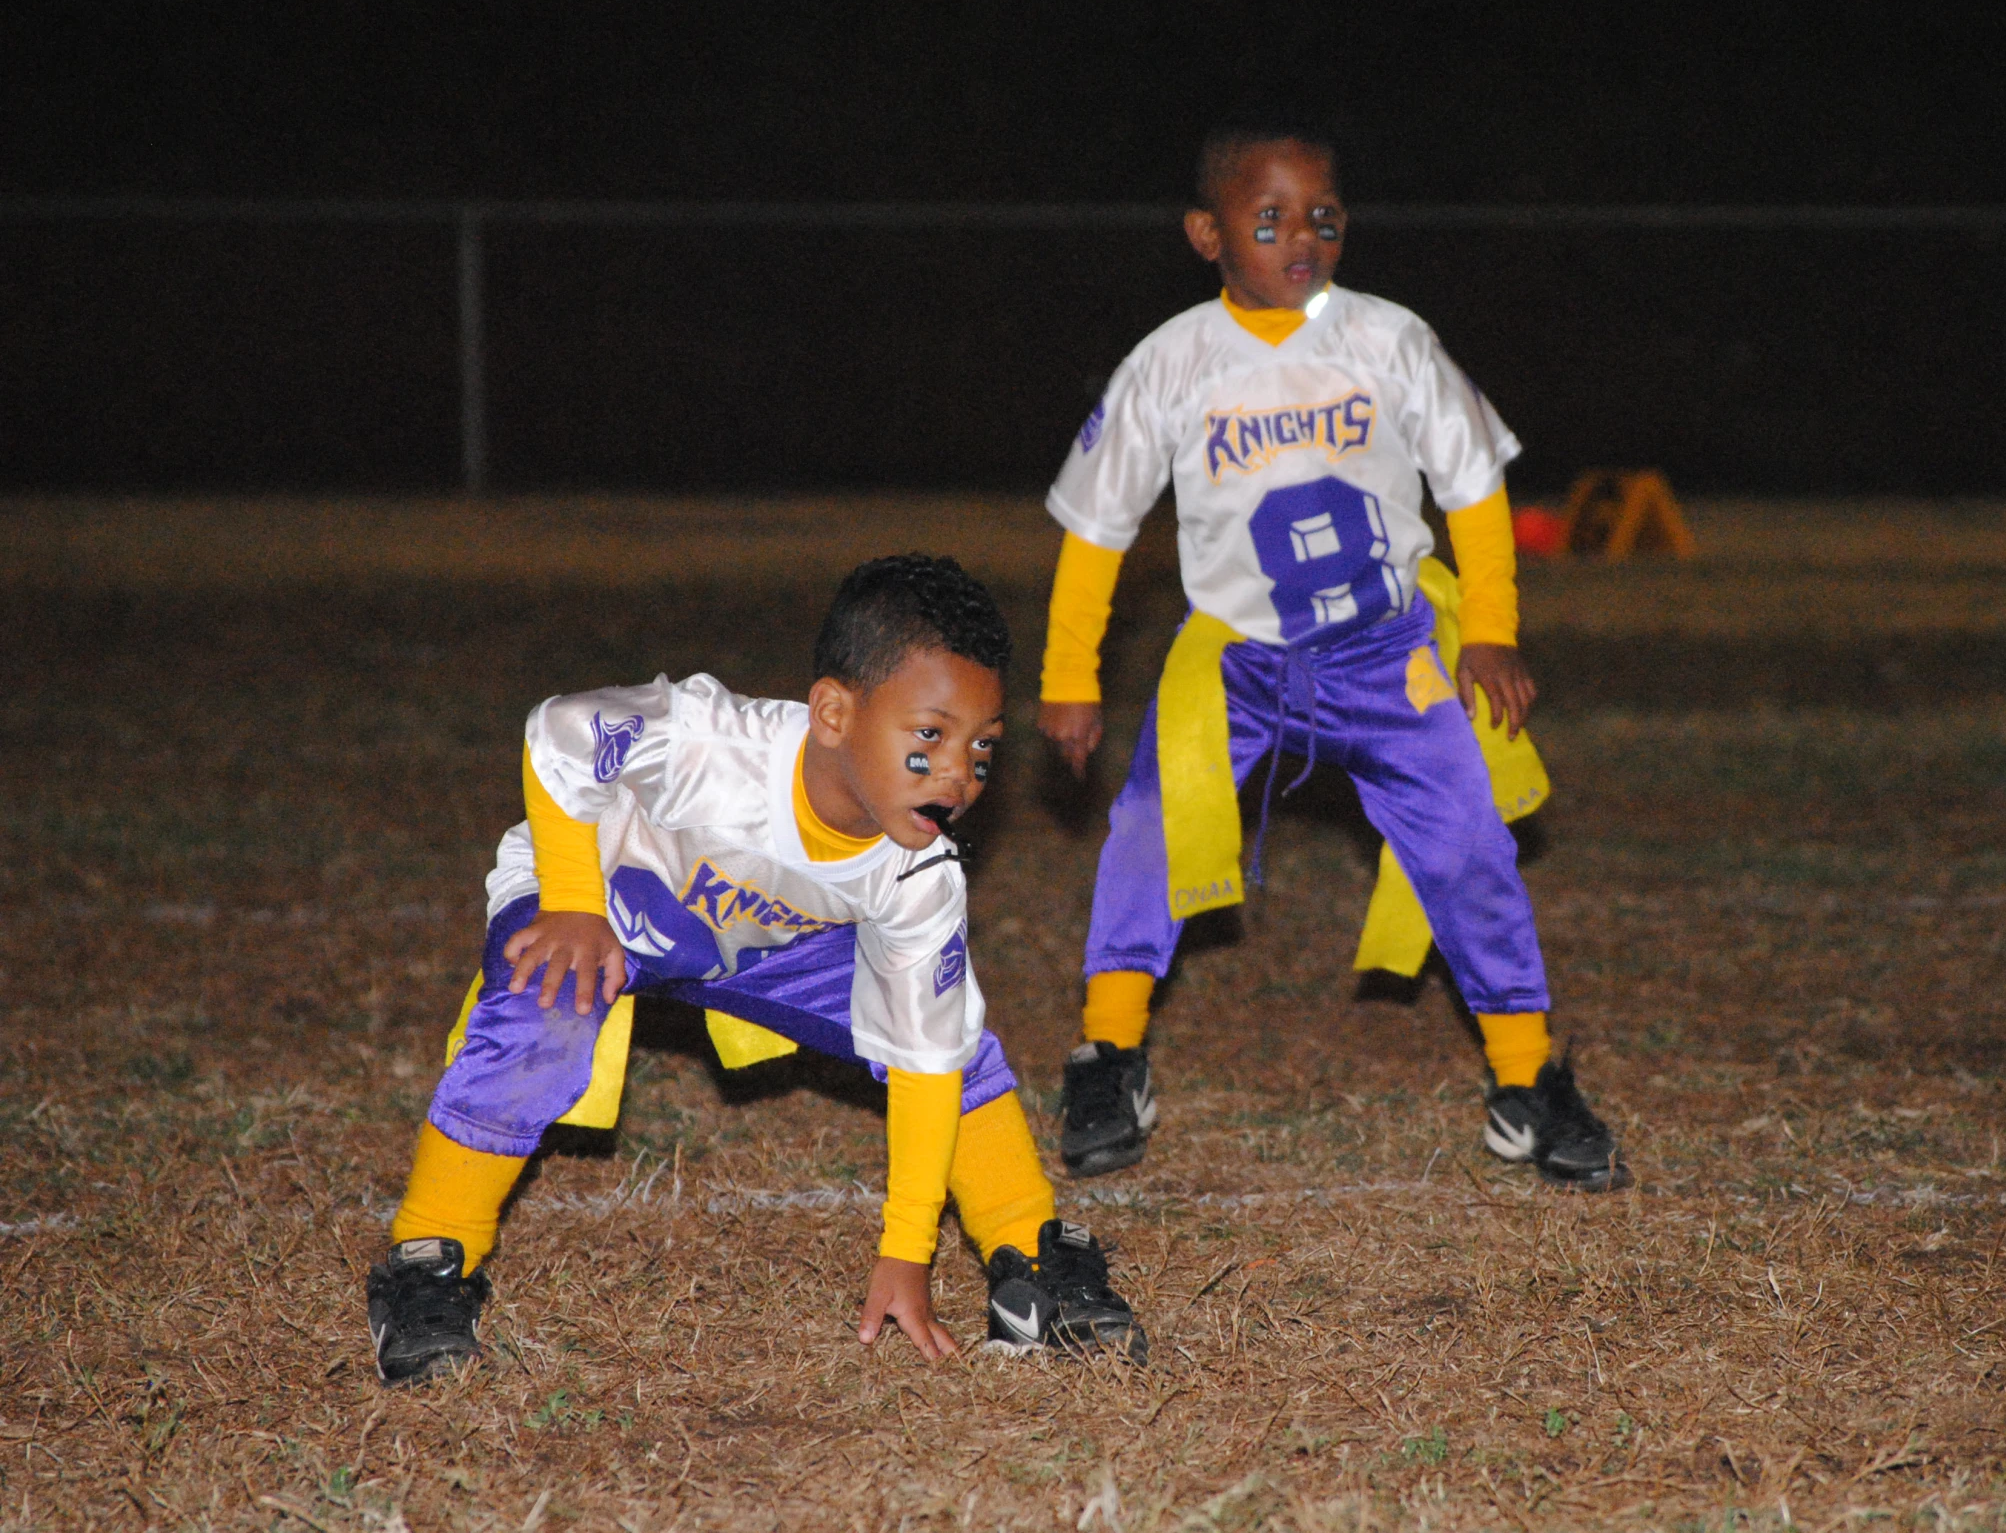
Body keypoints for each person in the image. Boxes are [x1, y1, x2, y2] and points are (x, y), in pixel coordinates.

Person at [364, 554, 1146, 1386]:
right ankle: (427, 1259)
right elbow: (562, 730)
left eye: (982, 751)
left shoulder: (919, 876)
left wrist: (906, 1249)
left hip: (771, 938)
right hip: (620, 897)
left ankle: (1026, 1256)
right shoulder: (714, 742)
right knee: (545, 1003)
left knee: (951, 1036)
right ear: (834, 713)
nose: (957, 775)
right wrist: (570, 898)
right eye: (929, 739)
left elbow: (924, 1060)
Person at [1036, 123, 1630, 1192]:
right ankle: (1107, 1055)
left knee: (1469, 847)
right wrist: (1069, 676)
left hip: (1386, 652)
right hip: (1235, 659)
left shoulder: (1390, 339)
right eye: (1266, 221)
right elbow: (1097, 530)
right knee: (1145, 830)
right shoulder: (1171, 362)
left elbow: (1473, 488)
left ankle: (1524, 1078)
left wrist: (1489, 626)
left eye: (1321, 216)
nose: (1297, 237)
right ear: (1205, 234)